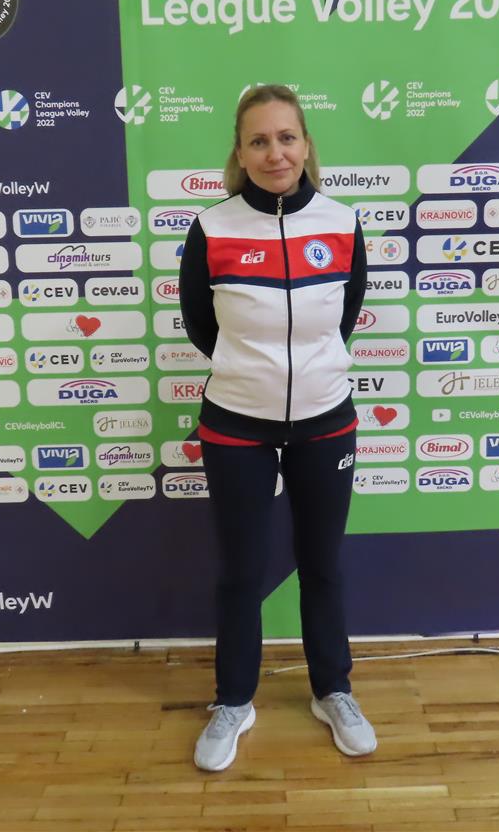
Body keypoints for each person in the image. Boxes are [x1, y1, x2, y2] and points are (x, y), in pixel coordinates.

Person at [179, 84, 375, 771]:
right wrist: (254, 374)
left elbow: (344, 316)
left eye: (286, 138)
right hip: (237, 425)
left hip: (325, 421)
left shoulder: (343, 223)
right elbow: (201, 326)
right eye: (258, 141)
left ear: (306, 144)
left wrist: (306, 375)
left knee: (322, 564)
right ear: (239, 153)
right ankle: (234, 700)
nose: (275, 153)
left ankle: (333, 691)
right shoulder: (212, 229)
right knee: (241, 570)